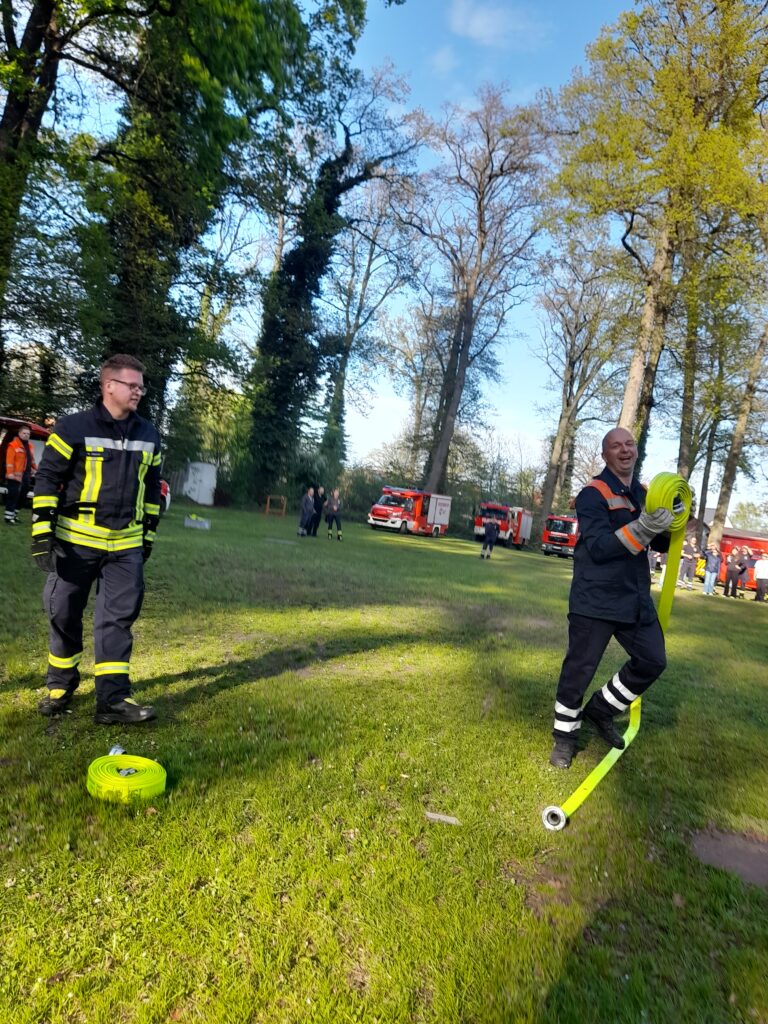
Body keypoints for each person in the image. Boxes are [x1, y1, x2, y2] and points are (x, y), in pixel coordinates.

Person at [32, 354, 161, 724]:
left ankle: (113, 700)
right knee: (62, 611)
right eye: (131, 385)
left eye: (141, 386)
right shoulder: (73, 428)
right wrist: (42, 533)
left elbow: (152, 488)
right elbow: (47, 479)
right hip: (76, 542)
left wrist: (148, 535)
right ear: (109, 386)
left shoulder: (149, 435)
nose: (138, 392)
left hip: (126, 547)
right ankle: (60, 685)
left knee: (117, 622)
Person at [549, 427, 674, 769]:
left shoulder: (644, 493)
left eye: (629, 444)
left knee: (652, 660)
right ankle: (564, 738)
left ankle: (601, 710)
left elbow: (661, 544)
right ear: (605, 455)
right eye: (616, 446)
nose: (625, 450)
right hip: (596, 598)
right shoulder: (592, 494)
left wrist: (672, 517)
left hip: (634, 598)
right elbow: (601, 548)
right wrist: (644, 527)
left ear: (636, 450)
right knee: (578, 671)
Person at [4, 423, 36, 525]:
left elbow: (31, 460)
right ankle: (8, 517)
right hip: (14, 476)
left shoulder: (30, 446)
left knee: (23, 496)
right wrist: (10, 474)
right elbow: (9, 461)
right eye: (24, 433)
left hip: (26, 475)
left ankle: (14, 515)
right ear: (19, 433)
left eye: (28, 434)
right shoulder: (13, 445)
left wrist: (35, 469)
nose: (26, 435)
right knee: (13, 495)